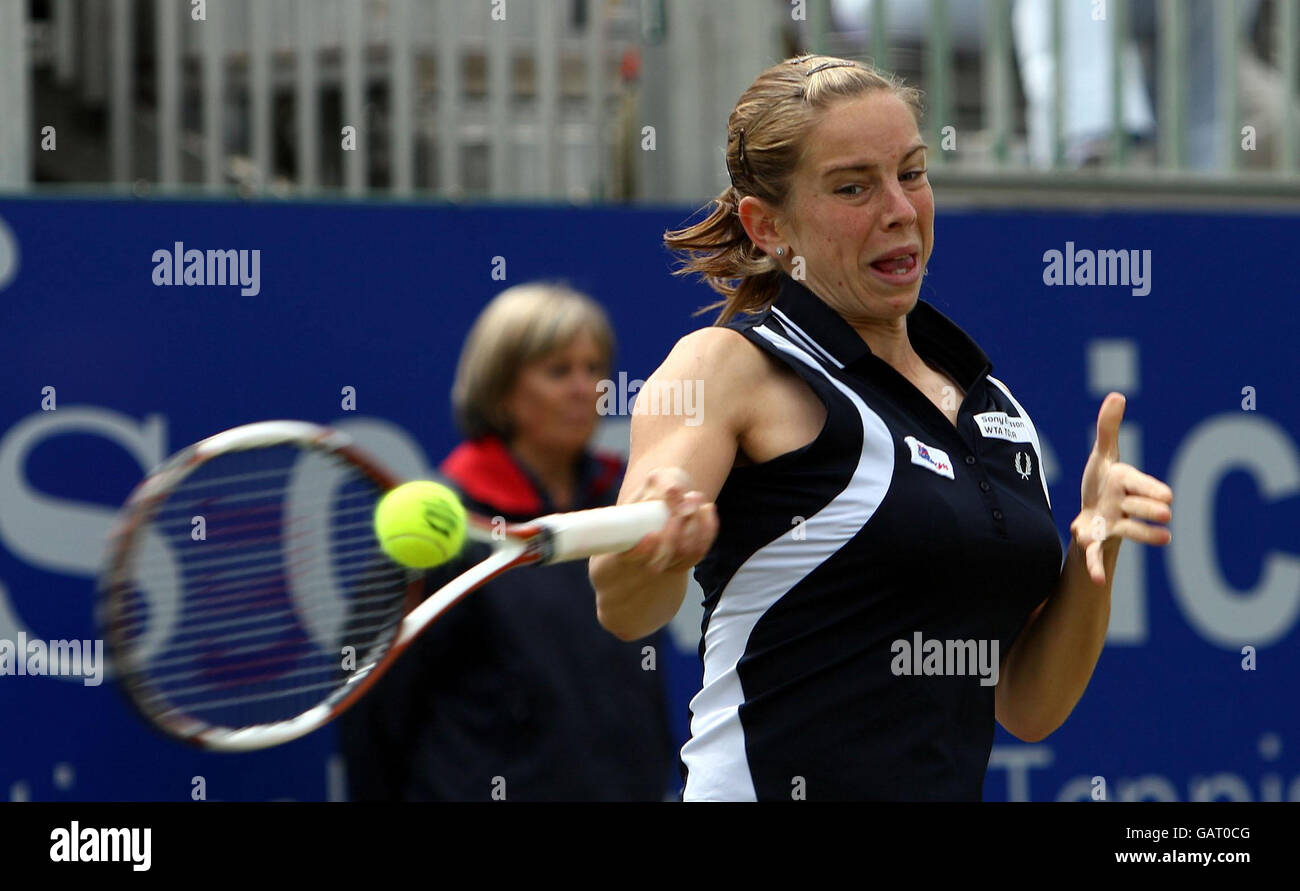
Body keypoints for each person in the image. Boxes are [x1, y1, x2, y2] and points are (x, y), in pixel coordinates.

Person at [588, 54, 1174, 801]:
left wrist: (1097, 538)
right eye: (853, 186)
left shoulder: (994, 408)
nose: (900, 208)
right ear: (767, 226)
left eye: (913, 172)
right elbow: (624, 604)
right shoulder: (724, 368)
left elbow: (1028, 704)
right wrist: (654, 543)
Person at [341, 281, 675, 801]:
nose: (584, 388)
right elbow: (377, 717)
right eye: (558, 371)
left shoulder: (622, 503)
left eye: (593, 369)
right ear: (500, 389)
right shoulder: (440, 531)